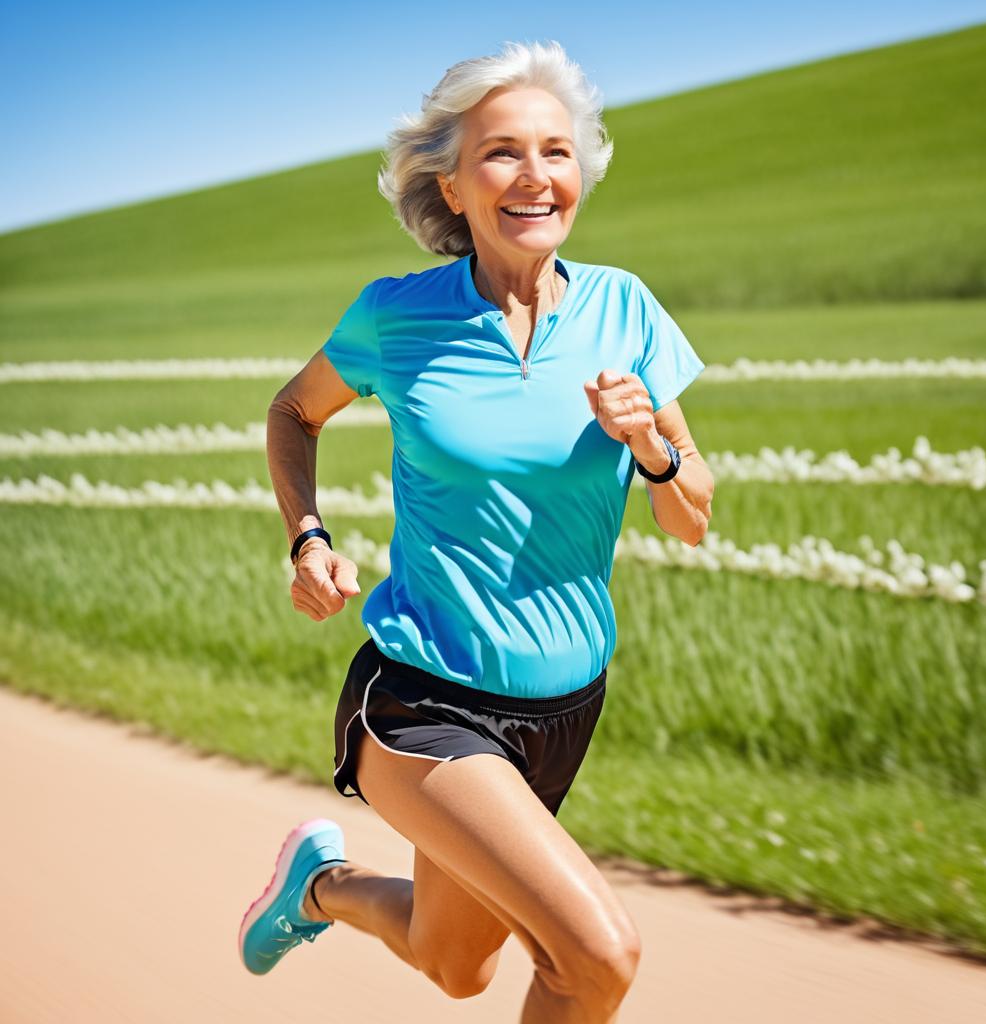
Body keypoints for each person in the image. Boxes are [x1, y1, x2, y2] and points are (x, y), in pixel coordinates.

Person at [239, 38, 713, 1023]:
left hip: (563, 708)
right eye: (501, 153)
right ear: (450, 185)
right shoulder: (396, 319)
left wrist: (652, 448)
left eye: (556, 151)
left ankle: (317, 887)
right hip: (422, 699)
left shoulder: (625, 311)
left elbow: (691, 517)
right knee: (598, 957)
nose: (534, 176)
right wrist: (308, 538)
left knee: (453, 963)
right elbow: (294, 412)